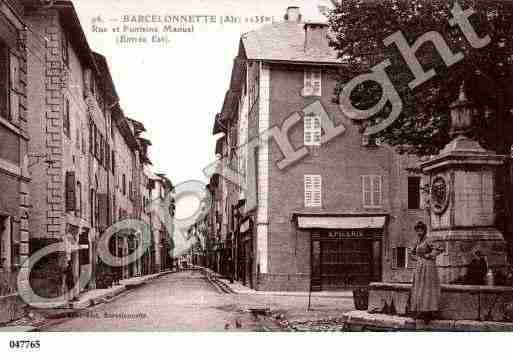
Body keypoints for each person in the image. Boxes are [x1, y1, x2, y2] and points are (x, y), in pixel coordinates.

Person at [410, 221, 444, 322]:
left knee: (427, 289)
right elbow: (411, 253)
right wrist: (416, 258)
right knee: (419, 288)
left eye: (421, 230)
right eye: (417, 230)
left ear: (425, 230)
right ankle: (421, 310)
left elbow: (440, 249)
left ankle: (428, 312)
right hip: (419, 267)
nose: (419, 232)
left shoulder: (428, 240)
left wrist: (429, 255)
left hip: (428, 267)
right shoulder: (417, 242)